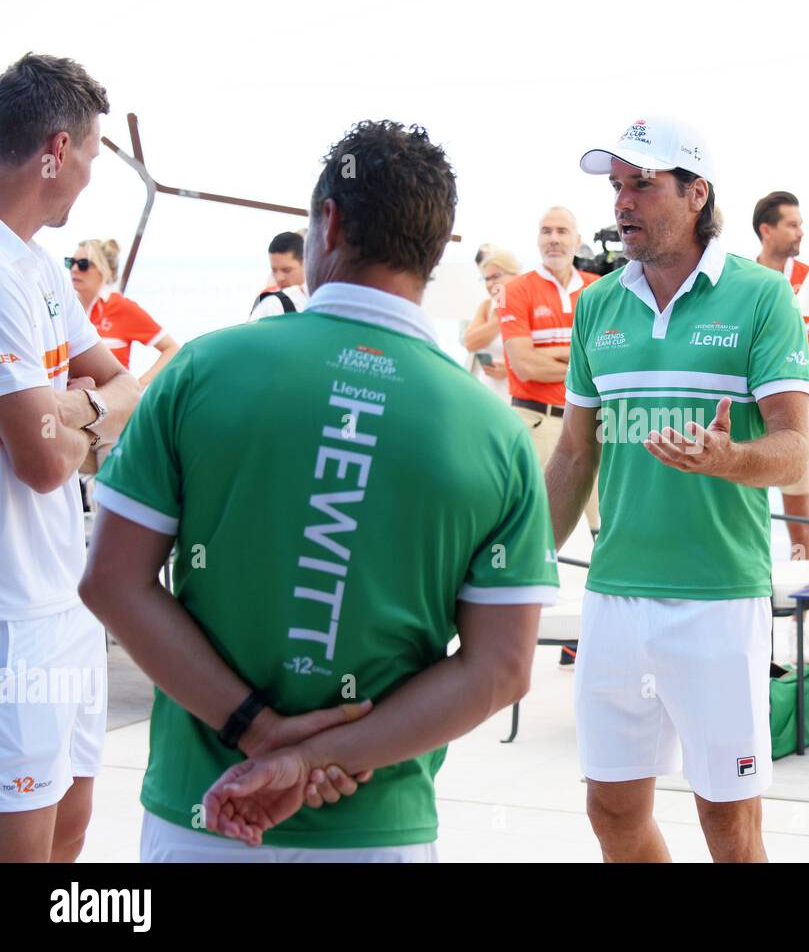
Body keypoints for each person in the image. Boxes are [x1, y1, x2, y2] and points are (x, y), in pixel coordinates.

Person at [79, 120, 559, 861]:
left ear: (327, 222)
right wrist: (318, 757)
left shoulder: (201, 370)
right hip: (377, 827)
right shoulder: (495, 433)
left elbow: (112, 581)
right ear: (435, 250)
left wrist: (260, 733)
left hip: (203, 808)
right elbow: (500, 667)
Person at [549, 116, 809, 862]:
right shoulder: (597, 305)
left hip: (718, 598)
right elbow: (574, 453)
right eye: (616, 187)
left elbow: (794, 451)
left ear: (696, 193)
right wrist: (518, 559)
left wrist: (729, 459)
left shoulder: (761, 296)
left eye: (643, 184)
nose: (623, 202)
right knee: (610, 811)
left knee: (729, 827)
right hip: (614, 594)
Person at [0, 52, 141, 862]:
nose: (91, 173)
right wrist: (82, 419)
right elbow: (45, 463)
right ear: (57, 150)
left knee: (73, 832)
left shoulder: (44, 266)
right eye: (90, 153)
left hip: (67, 604)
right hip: (15, 618)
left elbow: (126, 387)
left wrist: (71, 408)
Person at [499, 206, 600, 532]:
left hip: (593, 426)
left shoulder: (600, 289)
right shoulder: (514, 289)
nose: (553, 239)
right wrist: (583, 357)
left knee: (607, 526)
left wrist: (553, 354)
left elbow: (613, 361)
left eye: (561, 231)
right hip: (535, 423)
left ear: (577, 239)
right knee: (529, 528)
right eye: (546, 231)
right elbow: (525, 365)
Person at [753, 190, 809, 560]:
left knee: (801, 522)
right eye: (792, 225)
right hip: (746, 419)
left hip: (795, 419)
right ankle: (758, 599)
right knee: (745, 515)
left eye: (801, 224)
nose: (801, 232)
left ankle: (802, 607)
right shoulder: (742, 282)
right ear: (767, 230)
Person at [68, 238, 179, 385]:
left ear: (103, 269)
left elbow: (171, 349)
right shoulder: (67, 308)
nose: (74, 269)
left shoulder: (121, 307)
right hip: (75, 401)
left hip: (113, 403)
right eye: (70, 262)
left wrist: (139, 386)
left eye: (83, 264)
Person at [462, 245, 519, 401]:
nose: (490, 284)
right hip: (485, 393)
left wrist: (510, 370)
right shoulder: (487, 307)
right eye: (487, 278)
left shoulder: (530, 308)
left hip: (516, 398)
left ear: (515, 275)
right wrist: (501, 313)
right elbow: (470, 343)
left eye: (496, 276)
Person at [248, 230, 309, 320]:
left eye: (287, 270)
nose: (279, 278)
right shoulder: (267, 303)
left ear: (305, 263)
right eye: (274, 270)